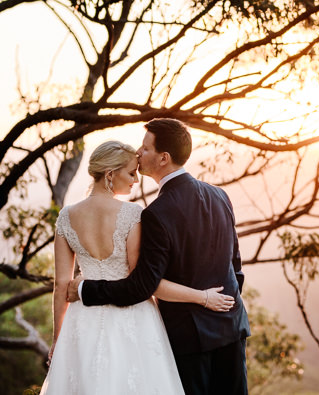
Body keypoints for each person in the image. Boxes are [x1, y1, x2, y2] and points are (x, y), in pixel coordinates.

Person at [67, 118, 250, 395]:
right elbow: (235, 267)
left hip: (189, 339)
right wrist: (226, 308)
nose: (139, 154)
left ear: (164, 158)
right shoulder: (219, 195)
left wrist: (85, 288)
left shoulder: (157, 213)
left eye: (145, 148)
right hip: (233, 327)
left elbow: (143, 285)